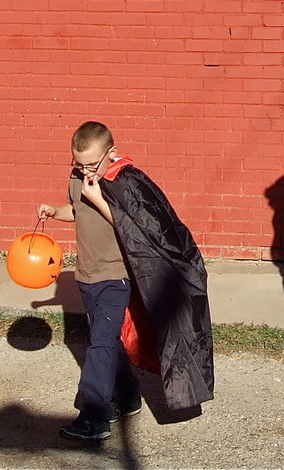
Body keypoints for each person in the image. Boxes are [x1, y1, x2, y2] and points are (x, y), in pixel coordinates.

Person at [37, 121, 214, 441]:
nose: (85, 170)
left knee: (100, 344)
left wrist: (98, 197)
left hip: (114, 278)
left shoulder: (124, 180)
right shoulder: (79, 177)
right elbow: (77, 211)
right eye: (78, 163)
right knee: (107, 339)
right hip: (87, 274)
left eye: (92, 164)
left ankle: (95, 416)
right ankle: (128, 396)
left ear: (111, 153)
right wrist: (54, 210)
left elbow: (134, 227)